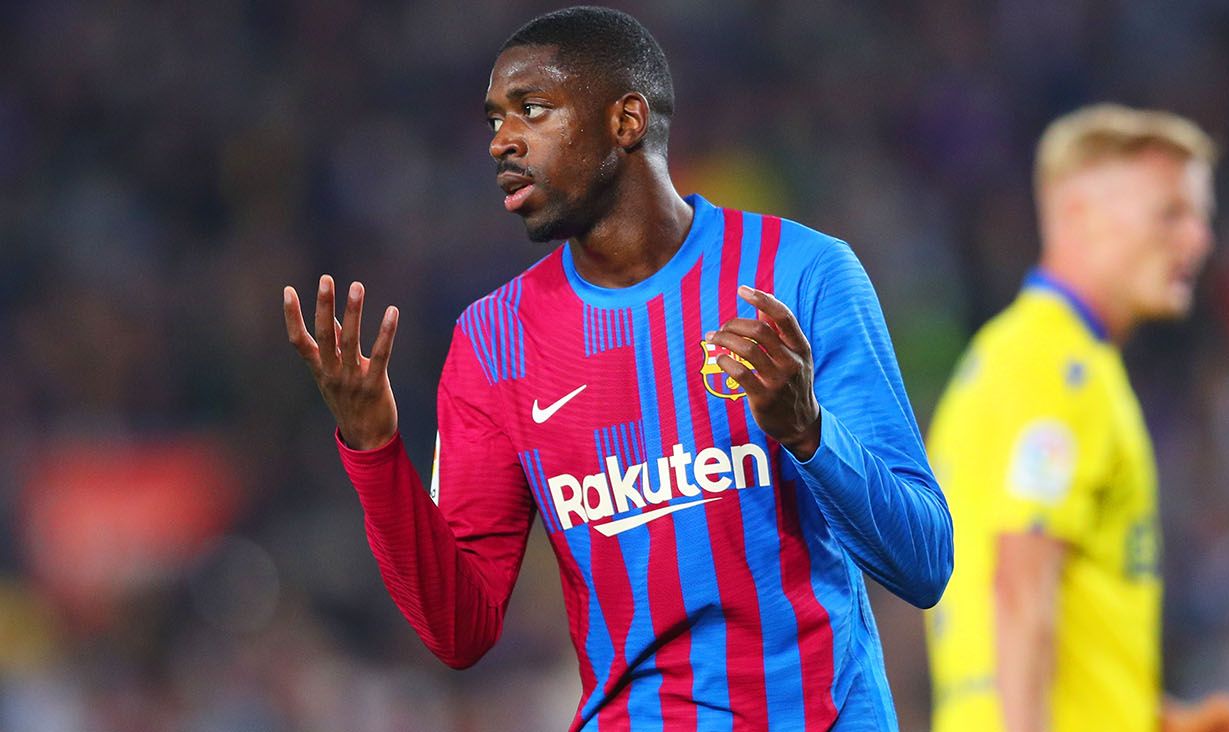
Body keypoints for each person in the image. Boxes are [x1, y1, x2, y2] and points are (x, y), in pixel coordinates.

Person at [282, 6, 951, 731]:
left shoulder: (801, 273)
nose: (502, 141)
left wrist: (810, 433)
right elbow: (458, 630)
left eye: (532, 110)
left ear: (626, 121)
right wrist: (373, 446)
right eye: (494, 120)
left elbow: (923, 561)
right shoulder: (492, 342)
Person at [924, 104, 1229, 732]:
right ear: (1078, 215)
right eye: (1170, 213)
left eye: (1201, 216)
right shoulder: (1060, 369)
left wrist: (1160, 720)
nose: (1199, 238)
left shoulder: (1019, 355)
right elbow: (1020, 587)